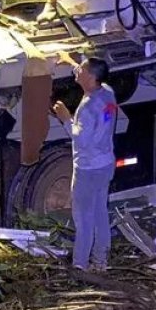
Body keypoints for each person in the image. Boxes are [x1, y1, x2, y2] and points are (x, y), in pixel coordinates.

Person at [52, 57, 118, 270]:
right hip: (106, 164)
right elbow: (88, 71)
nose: (77, 70)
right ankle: (101, 261)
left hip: (88, 169)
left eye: (81, 69)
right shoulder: (107, 92)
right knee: (100, 213)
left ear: (90, 77)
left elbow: (80, 138)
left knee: (83, 219)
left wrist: (65, 118)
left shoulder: (88, 108)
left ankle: (80, 266)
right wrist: (70, 62)